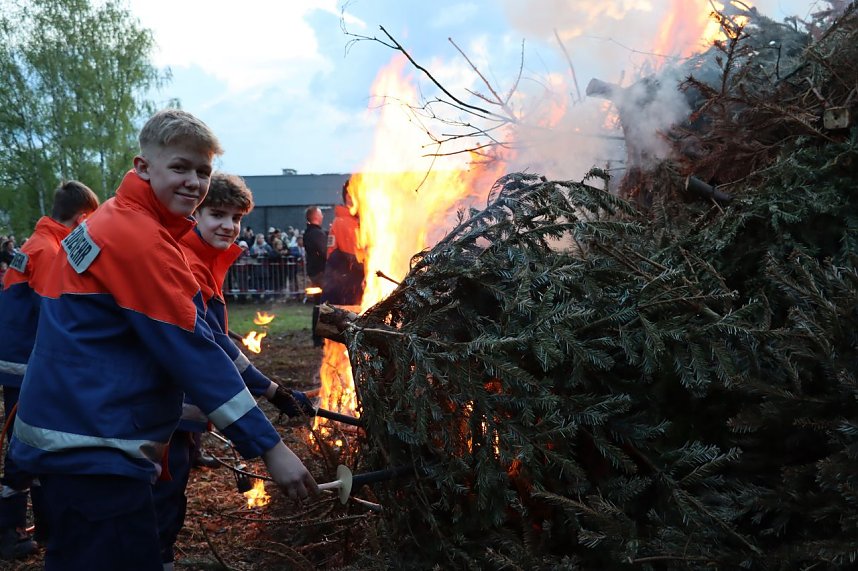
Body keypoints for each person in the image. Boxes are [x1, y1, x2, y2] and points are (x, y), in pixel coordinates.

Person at [8, 109, 318, 571]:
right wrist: (270, 448)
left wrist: (271, 391)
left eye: (203, 171)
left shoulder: (117, 219)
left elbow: (199, 338)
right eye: (180, 167)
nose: (194, 181)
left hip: (74, 438)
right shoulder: (140, 240)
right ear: (142, 167)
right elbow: (193, 351)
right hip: (94, 448)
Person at [154, 172, 313, 569]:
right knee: (159, 505)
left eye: (237, 217)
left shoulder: (205, 259)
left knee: (169, 503)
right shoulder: (187, 261)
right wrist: (271, 391)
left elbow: (215, 337)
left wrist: (272, 390)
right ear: (195, 214)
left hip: (182, 414)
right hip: (166, 414)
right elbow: (212, 349)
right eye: (217, 214)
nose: (229, 225)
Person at [0, 181, 99, 560]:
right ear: (82, 216)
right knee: (23, 447)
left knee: (37, 440)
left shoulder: (34, 243)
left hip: (19, 359)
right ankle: (8, 530)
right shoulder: (50, 251)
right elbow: (54, 313)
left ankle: (46, 524)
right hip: (28, 365)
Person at [322, 178, 365, 306]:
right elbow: (352, 256)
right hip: (346, 283)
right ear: (348, 197)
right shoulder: (342, 222)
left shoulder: (354, 221)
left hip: (347, 281)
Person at [303, 206, 327, 347]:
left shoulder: (311, 233)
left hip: (315, 273)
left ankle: (319, 337)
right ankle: (318, 337)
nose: (323, 216)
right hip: (320, 274)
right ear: (316, 216)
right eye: (321, 214)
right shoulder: (316, 234)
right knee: (321, 306)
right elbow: (325, 251)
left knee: (319, 305)